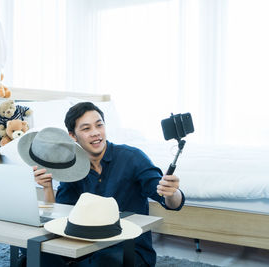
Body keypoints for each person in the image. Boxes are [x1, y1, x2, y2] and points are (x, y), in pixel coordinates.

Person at [33, 102, 185, 267]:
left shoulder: (132, 157)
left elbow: (169, 201)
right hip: (85, 249)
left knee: (104, 261)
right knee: (33, 253)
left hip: (127, 249)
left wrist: (172, 193)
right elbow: (59, 218)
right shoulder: (73, 167)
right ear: (72, 136)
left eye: (99, 125)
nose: (96, 133)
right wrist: (47, 188)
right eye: (86, 129)